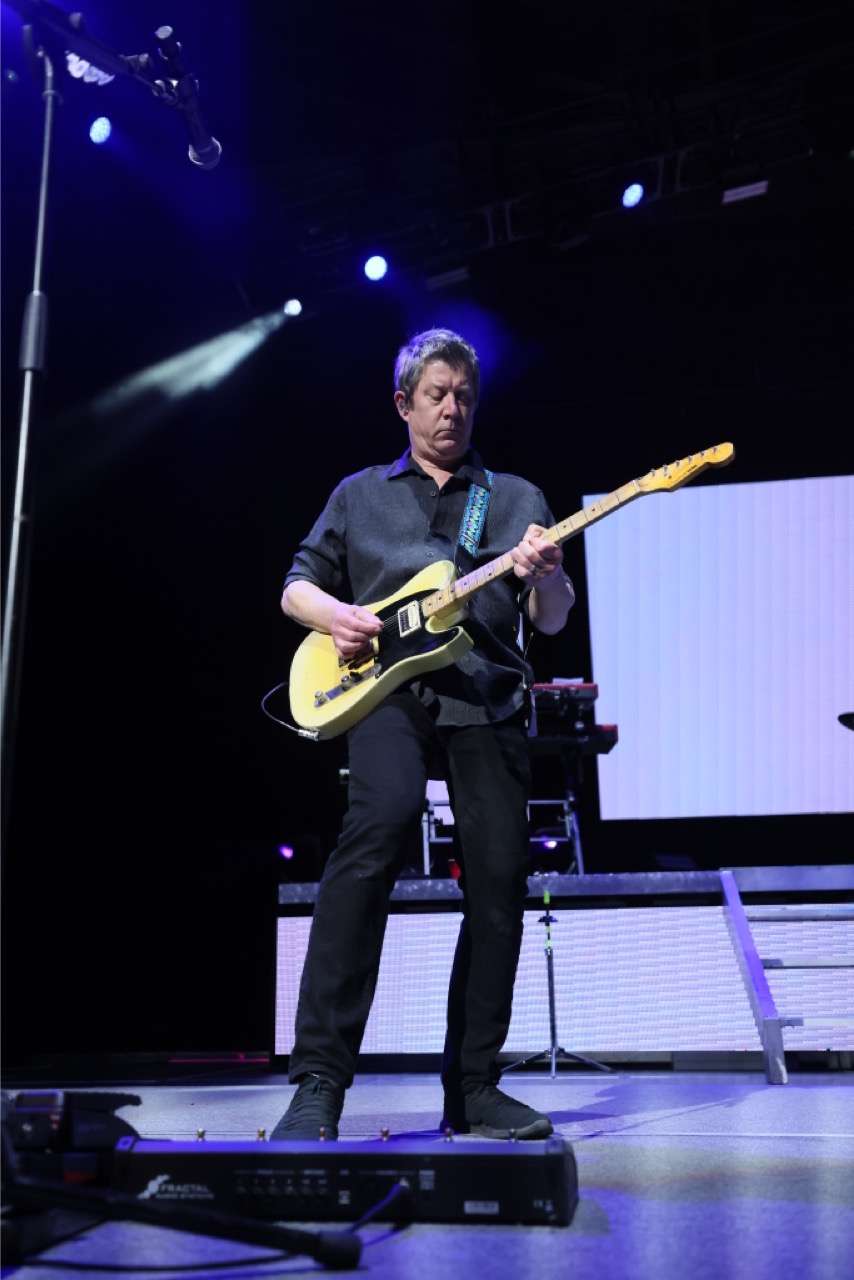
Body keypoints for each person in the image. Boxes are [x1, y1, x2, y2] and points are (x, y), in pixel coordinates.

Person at [271, 327, 574, 1142]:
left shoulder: (516, 499)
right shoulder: (359, 494)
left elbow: (553, 618)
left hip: (488, 694)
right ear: (403, 403)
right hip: (387, 693)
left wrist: (547, 578)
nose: (452, 409)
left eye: (465, 396)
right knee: (378, 827)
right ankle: (318, 1083)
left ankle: (473, 1088)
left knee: (501, 878)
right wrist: (337, 615)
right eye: (437, 395)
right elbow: (296, 587)